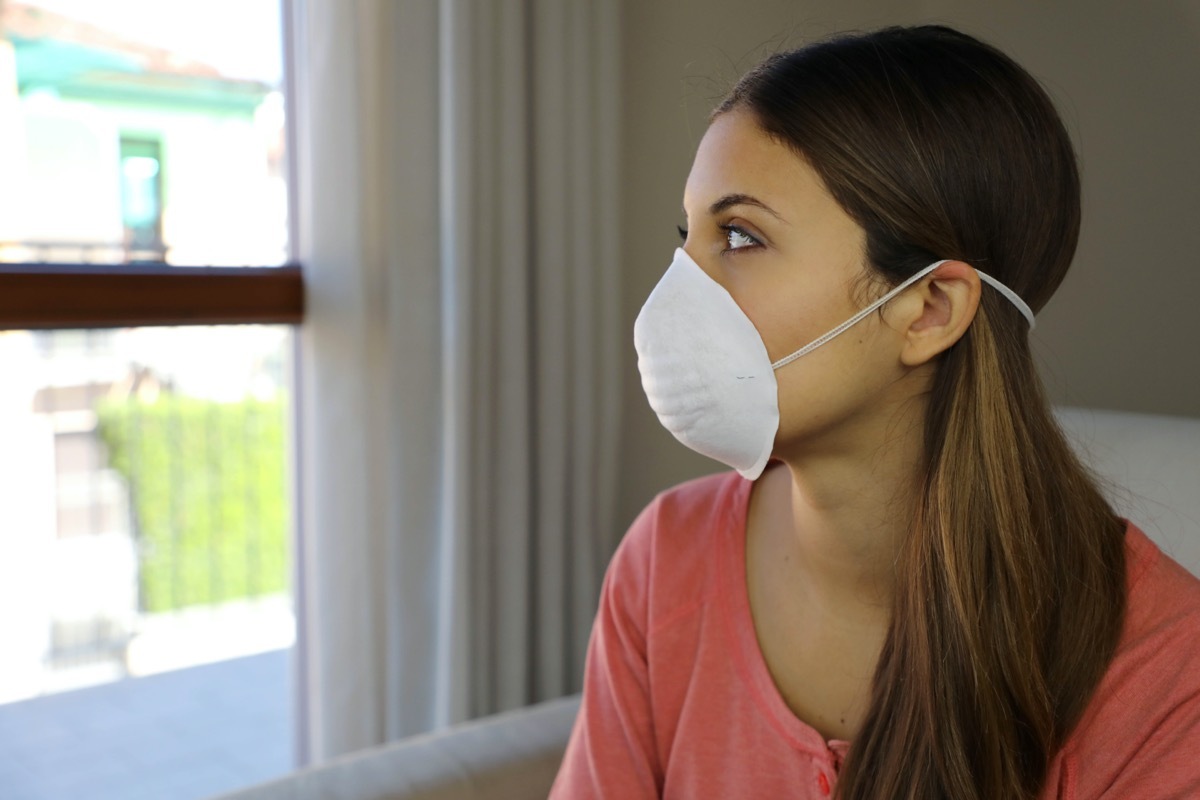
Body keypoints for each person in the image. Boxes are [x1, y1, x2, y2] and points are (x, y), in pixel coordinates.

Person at [549, 24, 1200, 800]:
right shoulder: (666, 562)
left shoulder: (1163, 673)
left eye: (740, 235)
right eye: (687, 236)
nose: (671, 299)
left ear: (928, 308)